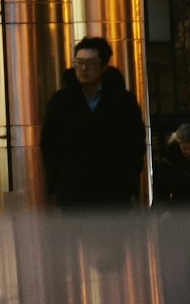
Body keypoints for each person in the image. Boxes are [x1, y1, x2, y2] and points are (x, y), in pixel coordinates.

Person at [40, 35, 146, 209]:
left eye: (91, 63)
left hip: (113, 194)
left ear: (104, 66)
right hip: (73, 194)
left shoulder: (123, 102)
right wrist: (59, 182)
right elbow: (49, 144)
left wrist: (127, 183)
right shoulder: (59, 102)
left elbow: (135, 144)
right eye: (79, 62)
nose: (83, 68)